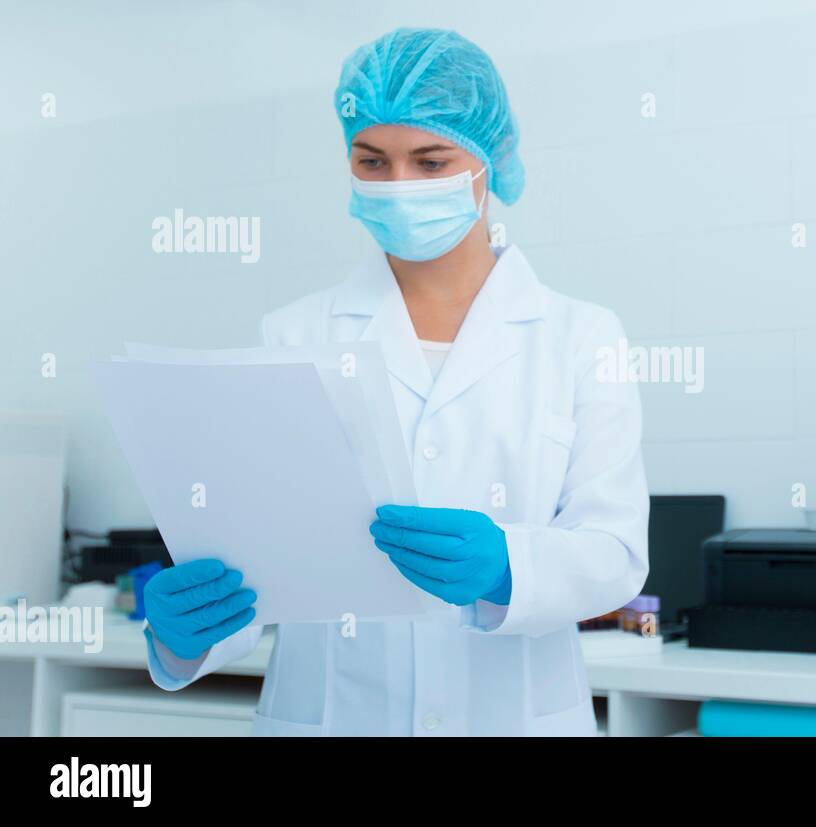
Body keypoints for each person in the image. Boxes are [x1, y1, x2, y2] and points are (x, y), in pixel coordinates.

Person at [140, 28, 649, 736]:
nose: (399, 187)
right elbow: (264, 576)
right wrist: (187, 633)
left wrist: (511, 566)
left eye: (430, 159)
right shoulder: (292, 335)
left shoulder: (581, 337)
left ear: (488, 160)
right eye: (371, 161)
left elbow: (616, 552)